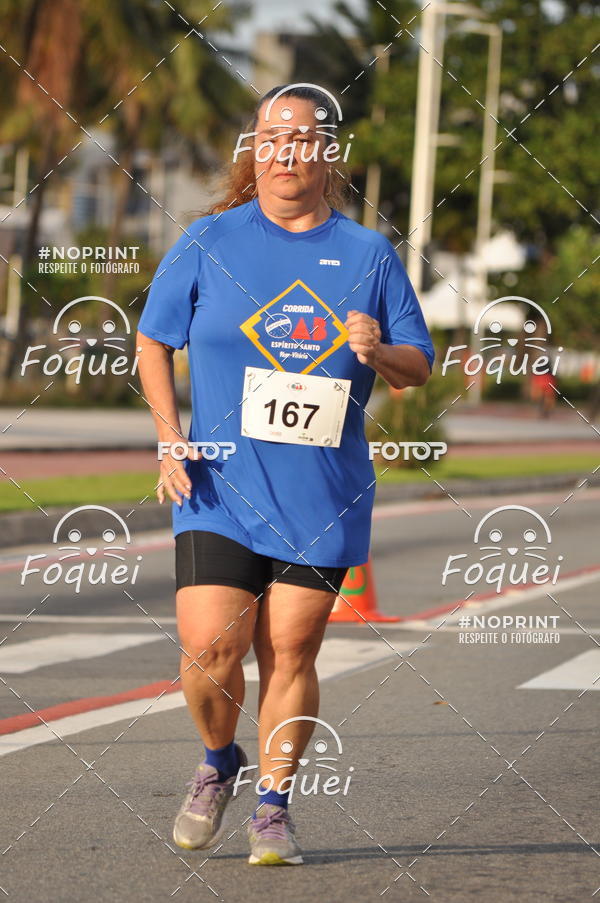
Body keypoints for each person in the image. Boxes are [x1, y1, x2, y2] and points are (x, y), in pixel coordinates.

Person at [136, 83, 434, 866]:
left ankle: (272, 807)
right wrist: (170, 439)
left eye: (302, 138)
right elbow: (151, 342)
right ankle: (217, 759)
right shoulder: (208, 241)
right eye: (271, 136)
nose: (285, 151)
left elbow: (418, 367)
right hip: (219, 488)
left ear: (325, 153)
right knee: (208, 650)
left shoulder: (369, 254)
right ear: (254, 149)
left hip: (320, 495)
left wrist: (377, 349)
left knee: (290, 652)